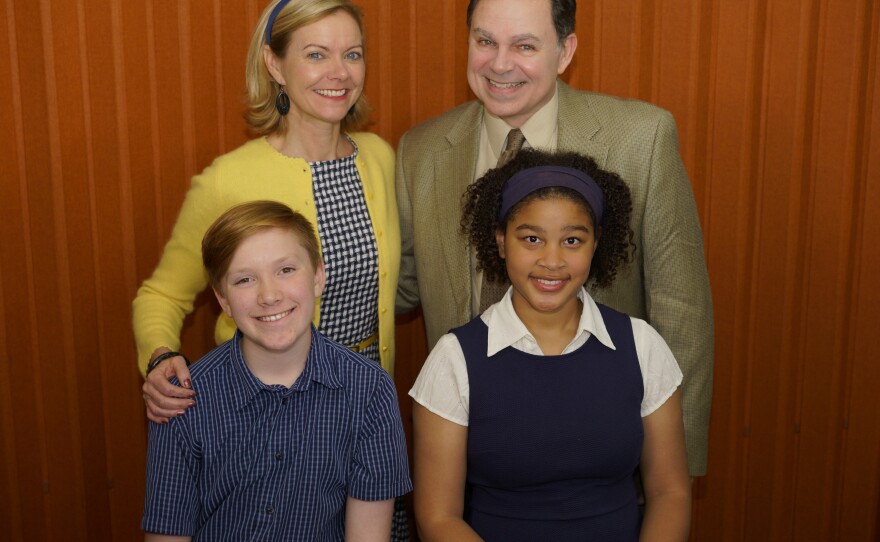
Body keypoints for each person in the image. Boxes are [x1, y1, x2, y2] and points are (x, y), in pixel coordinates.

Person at [395, 0, 714, 476]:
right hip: (466, 459)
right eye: (485, 41)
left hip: (603, 457)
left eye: (524, 45)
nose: (499, 64)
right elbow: (402, 288)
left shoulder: (641, 138)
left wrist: (667, 470)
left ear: (565, 51)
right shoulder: (421, 150)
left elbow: (681, 309)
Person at [133, 0, 399, 419]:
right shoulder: (227, 180)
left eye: (353, 54)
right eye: (316, 54)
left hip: (365, 401)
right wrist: (160, 356)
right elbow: (161, 295)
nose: (340, 72)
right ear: (275, 65)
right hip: (261, 410)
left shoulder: (380, 158)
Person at [409, 150, 691, 540]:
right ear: (502, 242)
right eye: (532, 239)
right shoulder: (454, 359)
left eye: (572, 240)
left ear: (596, 245)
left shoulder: (642, 346)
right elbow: (438, 517)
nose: (552, 260)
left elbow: (670, 492)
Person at [142, 201, 412, 541]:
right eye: (244, 279)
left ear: (318, 276)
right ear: (223, 300)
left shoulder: (370, 390)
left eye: (286, 270)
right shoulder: (181, 398)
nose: (269, 295)